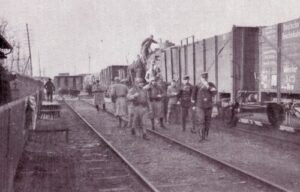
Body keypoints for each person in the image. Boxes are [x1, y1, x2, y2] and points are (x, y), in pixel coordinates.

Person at [192, 72, 217, 141]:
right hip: (200, 106)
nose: (204, 79)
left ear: (207, 78)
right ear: (200, 78)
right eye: (203, 78)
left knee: (208, 121)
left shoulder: (211, 84)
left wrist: (208, 87)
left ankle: (206, 136)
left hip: (209, 106)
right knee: (201, 120)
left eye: (205, 78)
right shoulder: (197, 85)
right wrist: (193, 105)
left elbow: (215, 92)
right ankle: (201, 137)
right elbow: (193, 96)